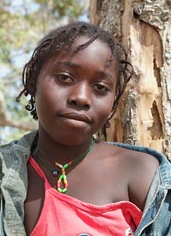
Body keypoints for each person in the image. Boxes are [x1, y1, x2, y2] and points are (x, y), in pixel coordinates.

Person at [0, 21, 171, 236]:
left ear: (113, 102)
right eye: (65, 78)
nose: (81, 97)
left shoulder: (140, 172)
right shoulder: (5, 174)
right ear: (34, 82)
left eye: (100, 87)